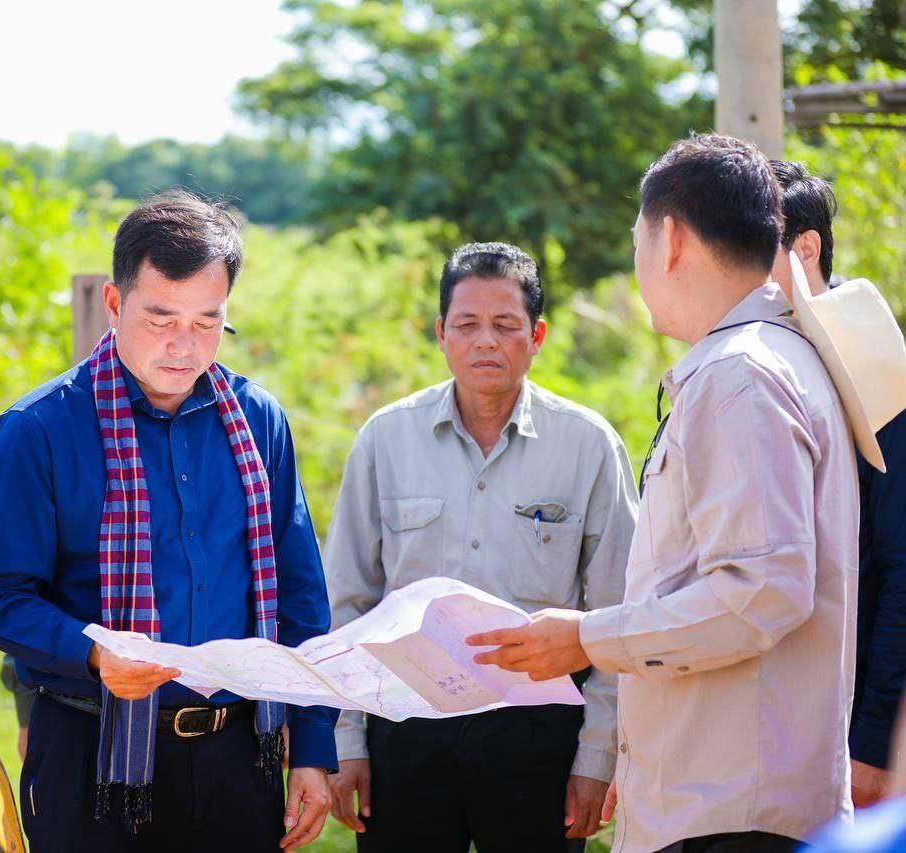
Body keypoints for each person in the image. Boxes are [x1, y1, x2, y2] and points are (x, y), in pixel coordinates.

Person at [471, 134, 859, 852]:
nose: (638, 264)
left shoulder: (740, 376)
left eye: (638, 243)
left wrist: (585, 637)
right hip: (725, 800)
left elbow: (761, 591)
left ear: (672, 238)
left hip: (730, 813)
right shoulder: (771, 359)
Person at [0, 191, 336, 853]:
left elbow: (299, 594)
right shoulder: (35, 431)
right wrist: (93, 650)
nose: (183, 345)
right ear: (114, 303)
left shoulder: (259, 420)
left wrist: (312, 745)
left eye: (207, 321)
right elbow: (0, 601)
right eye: (160, 318)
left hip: (239, 757)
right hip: (91, 759)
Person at [322, 241, 636, 851]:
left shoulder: (589, 446)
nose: (485, 341)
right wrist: (346, 740)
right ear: (441, 334)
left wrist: (597, 754)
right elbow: (348, 600)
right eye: (466, 325)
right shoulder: (386, 439)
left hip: (540, 738)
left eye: (505, 325)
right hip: (406, 727)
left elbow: (617, 613)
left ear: (537, 336)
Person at [769, 158, 906, 810]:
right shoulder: (762, 350)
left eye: (749, 247)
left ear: (806, 248)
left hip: (850, 732)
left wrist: (871, 743)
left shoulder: (873, 360)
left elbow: (902, 566)